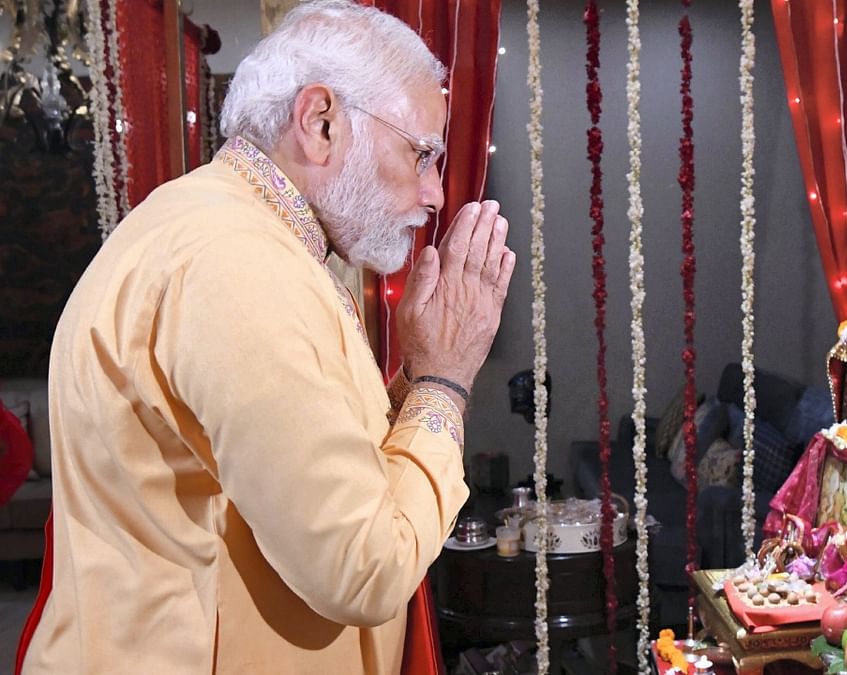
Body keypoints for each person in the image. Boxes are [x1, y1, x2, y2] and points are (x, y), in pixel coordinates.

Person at [18, 1, 514, 672]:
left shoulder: (235, 232)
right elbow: (362, 567)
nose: (433, 194)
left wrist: (416, 375)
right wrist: (443, 383)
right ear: (321, 122)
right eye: (421, 153)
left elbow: (316, 466)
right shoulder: (234, 262)